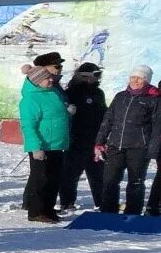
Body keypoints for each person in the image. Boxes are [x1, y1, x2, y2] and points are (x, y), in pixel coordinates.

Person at [94, 65, 161, 215]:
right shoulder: (120, 97)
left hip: (139, 147)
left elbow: (158, 127)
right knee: (110, 181)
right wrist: (100, 142)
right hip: (115, 145)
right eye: (133, 77)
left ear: (147, 80)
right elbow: (108, 120)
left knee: (135, 183)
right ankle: (108, 211)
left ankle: (133, 213)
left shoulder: (153, 100)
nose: (135, 80)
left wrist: (153, 149)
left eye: (140, 78)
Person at [18, 64, 70, 223]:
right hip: (42, 146)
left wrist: (68, 109)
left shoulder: (53, 92)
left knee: (54, 179)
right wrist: (35, 147)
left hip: (57, 144)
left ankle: (48, 209)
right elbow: (28, 125)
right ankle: (35, 211)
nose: (51, 80)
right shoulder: (30, 99)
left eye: (50, 77)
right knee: (41, 179)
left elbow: (55, 113)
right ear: (37, 81)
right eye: (47, 78)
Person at [60, 63, 106, 211]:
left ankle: (102, 203)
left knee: (98, 175)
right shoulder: (72, 92)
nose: (98, 78)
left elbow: (103, 114)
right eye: (96, 75)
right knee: (70, 174)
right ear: (85, 76)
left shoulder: (98, 93)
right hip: (76, 140)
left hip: (95, 140)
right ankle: (67, 203)